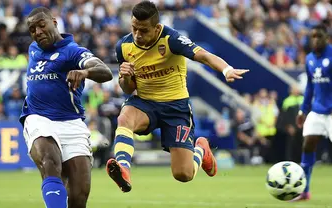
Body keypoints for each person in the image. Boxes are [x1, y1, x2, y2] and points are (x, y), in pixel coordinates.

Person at [106, 1, 249, 193]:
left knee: (183, 174)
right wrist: (125, 77)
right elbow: (127, 88)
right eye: (134, 29)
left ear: (157, 28)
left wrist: (227, 70)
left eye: (143, 30)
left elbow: (204, 55)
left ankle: (201, 150)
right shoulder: (123, 47)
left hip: (175, 107)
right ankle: (123, 168)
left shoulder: (171, 39)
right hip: (145, 102)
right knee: (124, 118)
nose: (138, 35)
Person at [19, 7, 113, 208]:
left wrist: (85, 72)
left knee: (79, 196)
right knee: (49, 161)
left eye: (41, 25)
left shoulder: (72, 51)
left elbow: (105, 71)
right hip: (37, 117)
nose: (37, 32)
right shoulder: (33, 49)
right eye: (32, 29)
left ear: (54, 22)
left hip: (72, 122)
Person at [295, 24, 332, 201]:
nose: (315, 40)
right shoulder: (309, 58)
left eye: (319, 36)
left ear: (327, 38)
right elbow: (310, 87)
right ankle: (304, 190)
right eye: (313, 37)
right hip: (317, 111)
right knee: (308, 144)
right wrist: (303, 109)